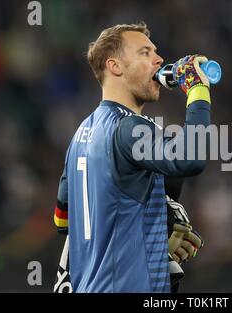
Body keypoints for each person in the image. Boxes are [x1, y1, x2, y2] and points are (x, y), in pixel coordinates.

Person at [53, 22, 213, 292]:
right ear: (115, 67)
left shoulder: (80, 135)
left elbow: (63, 221)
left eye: (156, 52)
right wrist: (198, 91)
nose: (159, 59)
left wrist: (150, 233)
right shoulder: (129, 127)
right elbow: (191, 159)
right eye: (145, 52)